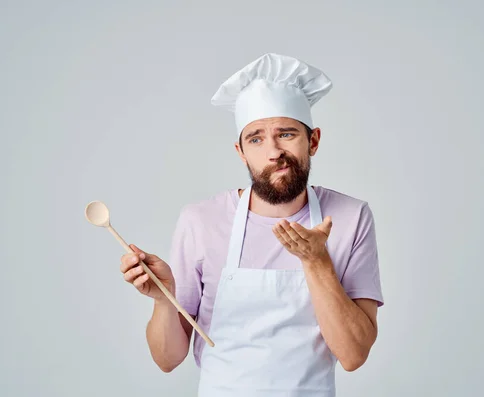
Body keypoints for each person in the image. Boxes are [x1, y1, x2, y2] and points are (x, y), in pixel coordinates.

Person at [120, 53, 384, 396]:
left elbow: (353, 355)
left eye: (286, 134)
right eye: (256, 139)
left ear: (313, 141)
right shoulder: (201, 220)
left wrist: (317, 262)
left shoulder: (350, 217)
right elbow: (168, 359)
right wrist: (163, 298)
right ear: (240, 151)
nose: (273, 151)